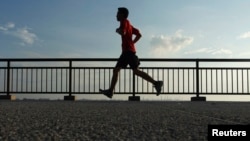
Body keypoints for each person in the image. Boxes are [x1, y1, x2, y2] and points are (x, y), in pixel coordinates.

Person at [100, 7, 163, 98]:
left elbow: (123, 32)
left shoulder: (124, 21)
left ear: (122, 15)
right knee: (117, 70)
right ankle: (110, 91)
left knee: (135, 71)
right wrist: (132, 42)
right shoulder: (129, 24)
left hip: (128, 52)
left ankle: (157, 83)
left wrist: (118, 30)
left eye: (117, 13)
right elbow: (139, 35)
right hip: (127, 52)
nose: (116, 15)